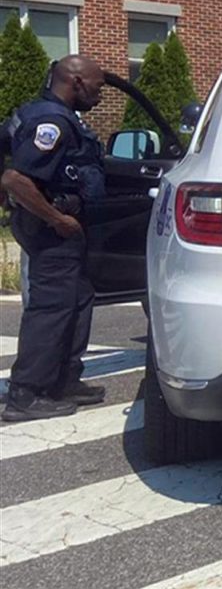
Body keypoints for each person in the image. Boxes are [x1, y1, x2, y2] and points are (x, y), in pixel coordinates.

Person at [2, 55, 108, 422]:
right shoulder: (51, 121)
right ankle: (25, 394)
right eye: (97, 87)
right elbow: (16, 179)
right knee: (51, 309)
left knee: (77, 300)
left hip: (60, 225)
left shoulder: (41, 113)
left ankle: (63, 379)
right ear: (76, 82)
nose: (99, 95)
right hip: (51, 229)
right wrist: (57, 218)